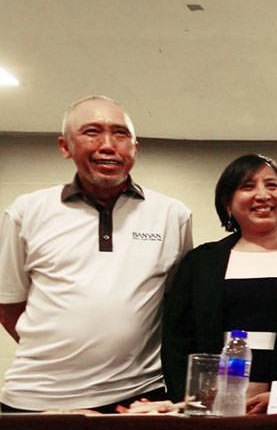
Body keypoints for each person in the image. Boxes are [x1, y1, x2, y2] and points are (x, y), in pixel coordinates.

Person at [0, 95, 192, 413]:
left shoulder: (173, 214)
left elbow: (173, 304)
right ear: (65, 146)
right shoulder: (26, 210)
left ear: (134, 147)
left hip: (138, 397)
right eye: (91, 132)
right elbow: (9, 304)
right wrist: (62, 355)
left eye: (120, 133)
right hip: (35, 397)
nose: (107, 144)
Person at [161, 154, 277, 413]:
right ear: (228, 203)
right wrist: (192, 402)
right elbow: (176, 341)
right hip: (212, 413)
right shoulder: (200, 262)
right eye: (248, 186)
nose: (263, 195)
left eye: (272, 185)